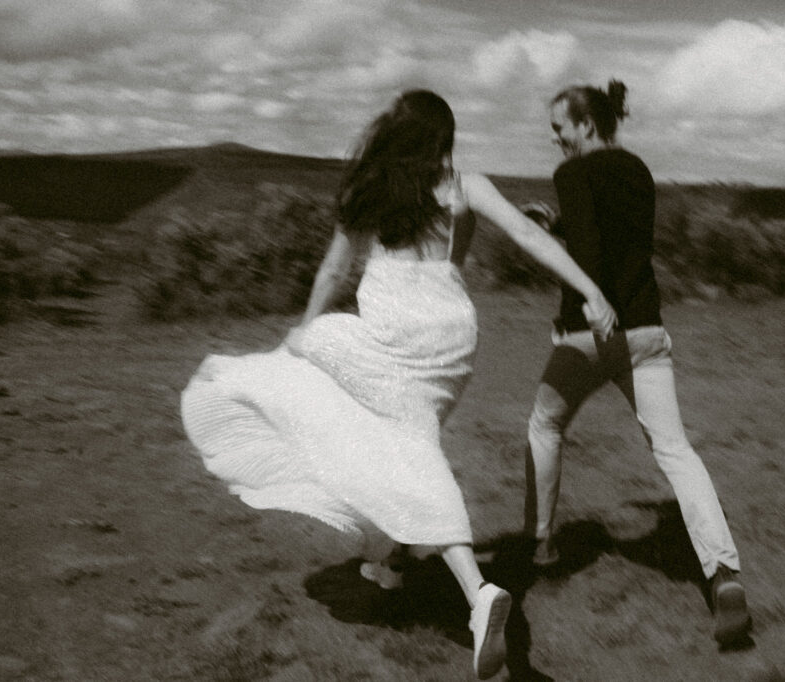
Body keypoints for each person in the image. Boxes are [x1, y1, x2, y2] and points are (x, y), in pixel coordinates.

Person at [180, 89, 617, 679]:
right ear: (442, 140)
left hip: (388, 327)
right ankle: (390, 557)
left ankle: (474, 590)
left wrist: (303, 331)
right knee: (407, 440)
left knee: (330, 387)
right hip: (449, 336)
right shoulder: (467, 185)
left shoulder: (371, 189)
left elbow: (335, 269)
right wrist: (590, 290)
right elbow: (530, 236)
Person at [522, 80, 752, 647]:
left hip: (591, 332)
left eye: (559, 128)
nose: (555, 139)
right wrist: (559, 226)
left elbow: (590, 256)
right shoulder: (639, 170)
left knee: (545, 425)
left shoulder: (572, 174)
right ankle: (723, 573)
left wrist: (582, 300)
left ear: (585, 126)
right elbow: (620, 240)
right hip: (648, 329)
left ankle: (541, 544)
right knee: (675, 450)